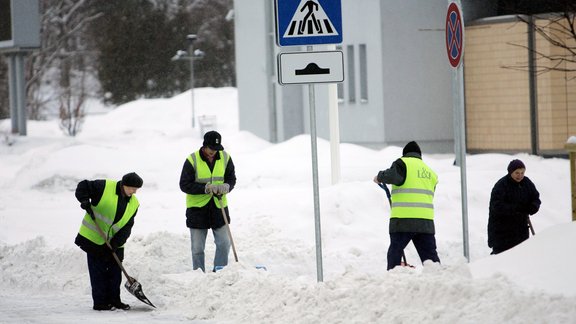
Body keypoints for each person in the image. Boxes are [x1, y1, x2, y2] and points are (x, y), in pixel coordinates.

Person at [74, 172, 144, 311]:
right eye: (132, 188)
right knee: (98, 271)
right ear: (124, 185)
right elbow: (83, 186)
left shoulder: (134, 203)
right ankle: (100, 303)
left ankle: (115, 300)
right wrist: (84, 201)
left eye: (136, 189)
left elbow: (127, 226)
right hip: (94, 238)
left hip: (115, 242)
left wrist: (116, 243)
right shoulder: (104, 187)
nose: (134, 192)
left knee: (115, 272)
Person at [373, 141, 441, 270]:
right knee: (430, 258)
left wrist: (380, 177)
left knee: (395, 252)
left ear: (405, 154)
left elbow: (392, 176)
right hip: (426, 222)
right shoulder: (430, 172)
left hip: (403, 220)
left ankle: (394, 279)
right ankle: (440, 280)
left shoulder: (402, 163)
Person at [179, 130, 237, 272]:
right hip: (197, 210)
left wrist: (227, 186)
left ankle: (219, 272)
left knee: (224, 243)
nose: (214, 152)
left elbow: (231, 178)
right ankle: (199, 275)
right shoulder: (192, 160)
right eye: (211, 149)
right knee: (198, 248)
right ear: (204, 146)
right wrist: (205, 188)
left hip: (219, 207)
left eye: (217, 149)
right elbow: (184, 184)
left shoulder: (225, 157)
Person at [488, 159, 541, 254]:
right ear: (510, 172)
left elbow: (535, 197)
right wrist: (516, 209)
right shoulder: (501, 185)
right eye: (517, 173)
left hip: (521, 228)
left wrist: (533, 206)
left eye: (522, 173)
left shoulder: (527, 183)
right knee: (502, 255)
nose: (520, 175)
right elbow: (496, 206)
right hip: (502, 229)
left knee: (520, 254)